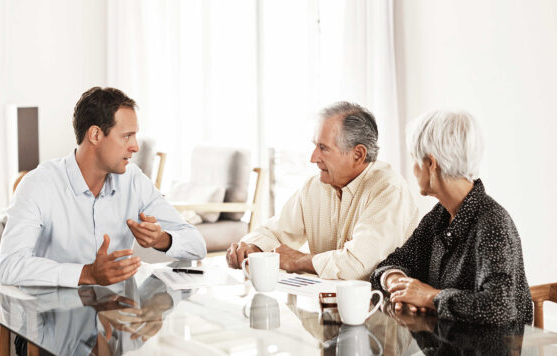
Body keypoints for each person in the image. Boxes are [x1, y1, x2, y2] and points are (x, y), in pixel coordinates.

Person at [0, 87, 207, 287]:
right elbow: (10, 266)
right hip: (53, 315)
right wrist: (86, 273)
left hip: (117, 315)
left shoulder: (134, 181)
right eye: (127, 136)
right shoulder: (39, 185)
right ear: (95, 135)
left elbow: (198, 246)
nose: (135, 146)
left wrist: (162, 239)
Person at [370, 110, 532, 325]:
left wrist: (429, 297)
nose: (413, 169)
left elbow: (499, 307)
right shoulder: (439, 216)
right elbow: (394, 262)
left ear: (431, 164)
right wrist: (399, 285)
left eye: (414, 159)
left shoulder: (493, 222)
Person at [227, 102, 421, 280]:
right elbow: (276, 232)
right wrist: (252, 247)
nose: (313, 158)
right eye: (315, 146)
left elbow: (357, 265)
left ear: (358, 154)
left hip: (382, 310)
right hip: (327, 305)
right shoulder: (315, 186)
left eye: (323, 148)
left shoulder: (388, 190)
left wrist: (298, 260)